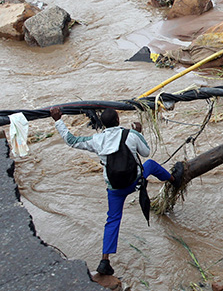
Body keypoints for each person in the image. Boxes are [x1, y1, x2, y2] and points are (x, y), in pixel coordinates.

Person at [49, 107, 181, 276]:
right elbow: (146, 152)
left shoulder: (97, 140)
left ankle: (105, 261)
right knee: (151, 165)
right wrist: (138, 132)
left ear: (103, 124)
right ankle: (173, 180)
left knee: (112, 220)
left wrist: (58, 120)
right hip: (135, 181)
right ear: (118, 120)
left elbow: (72, 141)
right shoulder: (130, 135)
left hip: (115, 189)